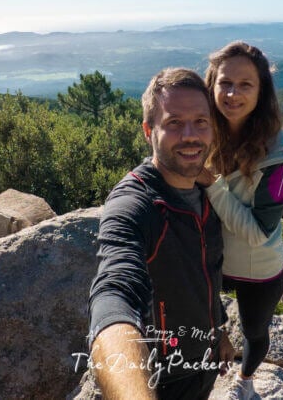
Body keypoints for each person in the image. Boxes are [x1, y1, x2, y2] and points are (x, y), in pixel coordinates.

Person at [88, 67, 236, 400]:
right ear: (147, 131)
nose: (190, 135)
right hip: (161, 382)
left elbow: (205, 273)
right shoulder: (135, 202)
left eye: (201, 121)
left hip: (206, 365)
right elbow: (114, 292)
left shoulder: (208, 196)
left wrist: (219, 333)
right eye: (173, 123)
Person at [199, 42, 283, 400]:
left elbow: (258, 232)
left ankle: (245, 380)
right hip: (210, 256)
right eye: (225, 83)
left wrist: (212, 186)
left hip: (258, 267)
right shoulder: (202, 129)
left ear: (261, 92)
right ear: (211, 85)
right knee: (201, 324)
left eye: (245, 85)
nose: (232, 93)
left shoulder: (280, 157)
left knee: (255, 331)